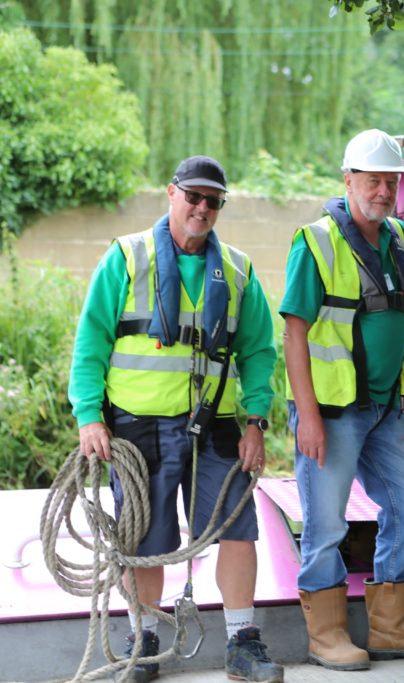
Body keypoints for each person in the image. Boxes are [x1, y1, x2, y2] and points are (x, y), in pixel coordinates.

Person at [69, 156, 282, 682]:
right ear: (172, 193)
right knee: (144, 539)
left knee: (236, 526)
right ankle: (144, 640)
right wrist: (89, 417)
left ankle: (243, 642)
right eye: (195, 197)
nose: (203, 208)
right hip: (137, 426)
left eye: (214, 201)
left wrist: (256, 419)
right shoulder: (126, 257)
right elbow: (90, 342)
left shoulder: (237, 270)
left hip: (214, 425)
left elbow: (259, 351)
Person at [281, 129, 404, 670]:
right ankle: (327, 634)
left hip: (384, 412)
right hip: (332, 414)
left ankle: (390, 627)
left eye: (391, 181)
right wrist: (308, 417)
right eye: (373, 180)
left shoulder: (402, 240)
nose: (383, 190)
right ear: (349, 181)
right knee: (326, 523)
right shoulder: (315, 242)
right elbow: (293, 333)